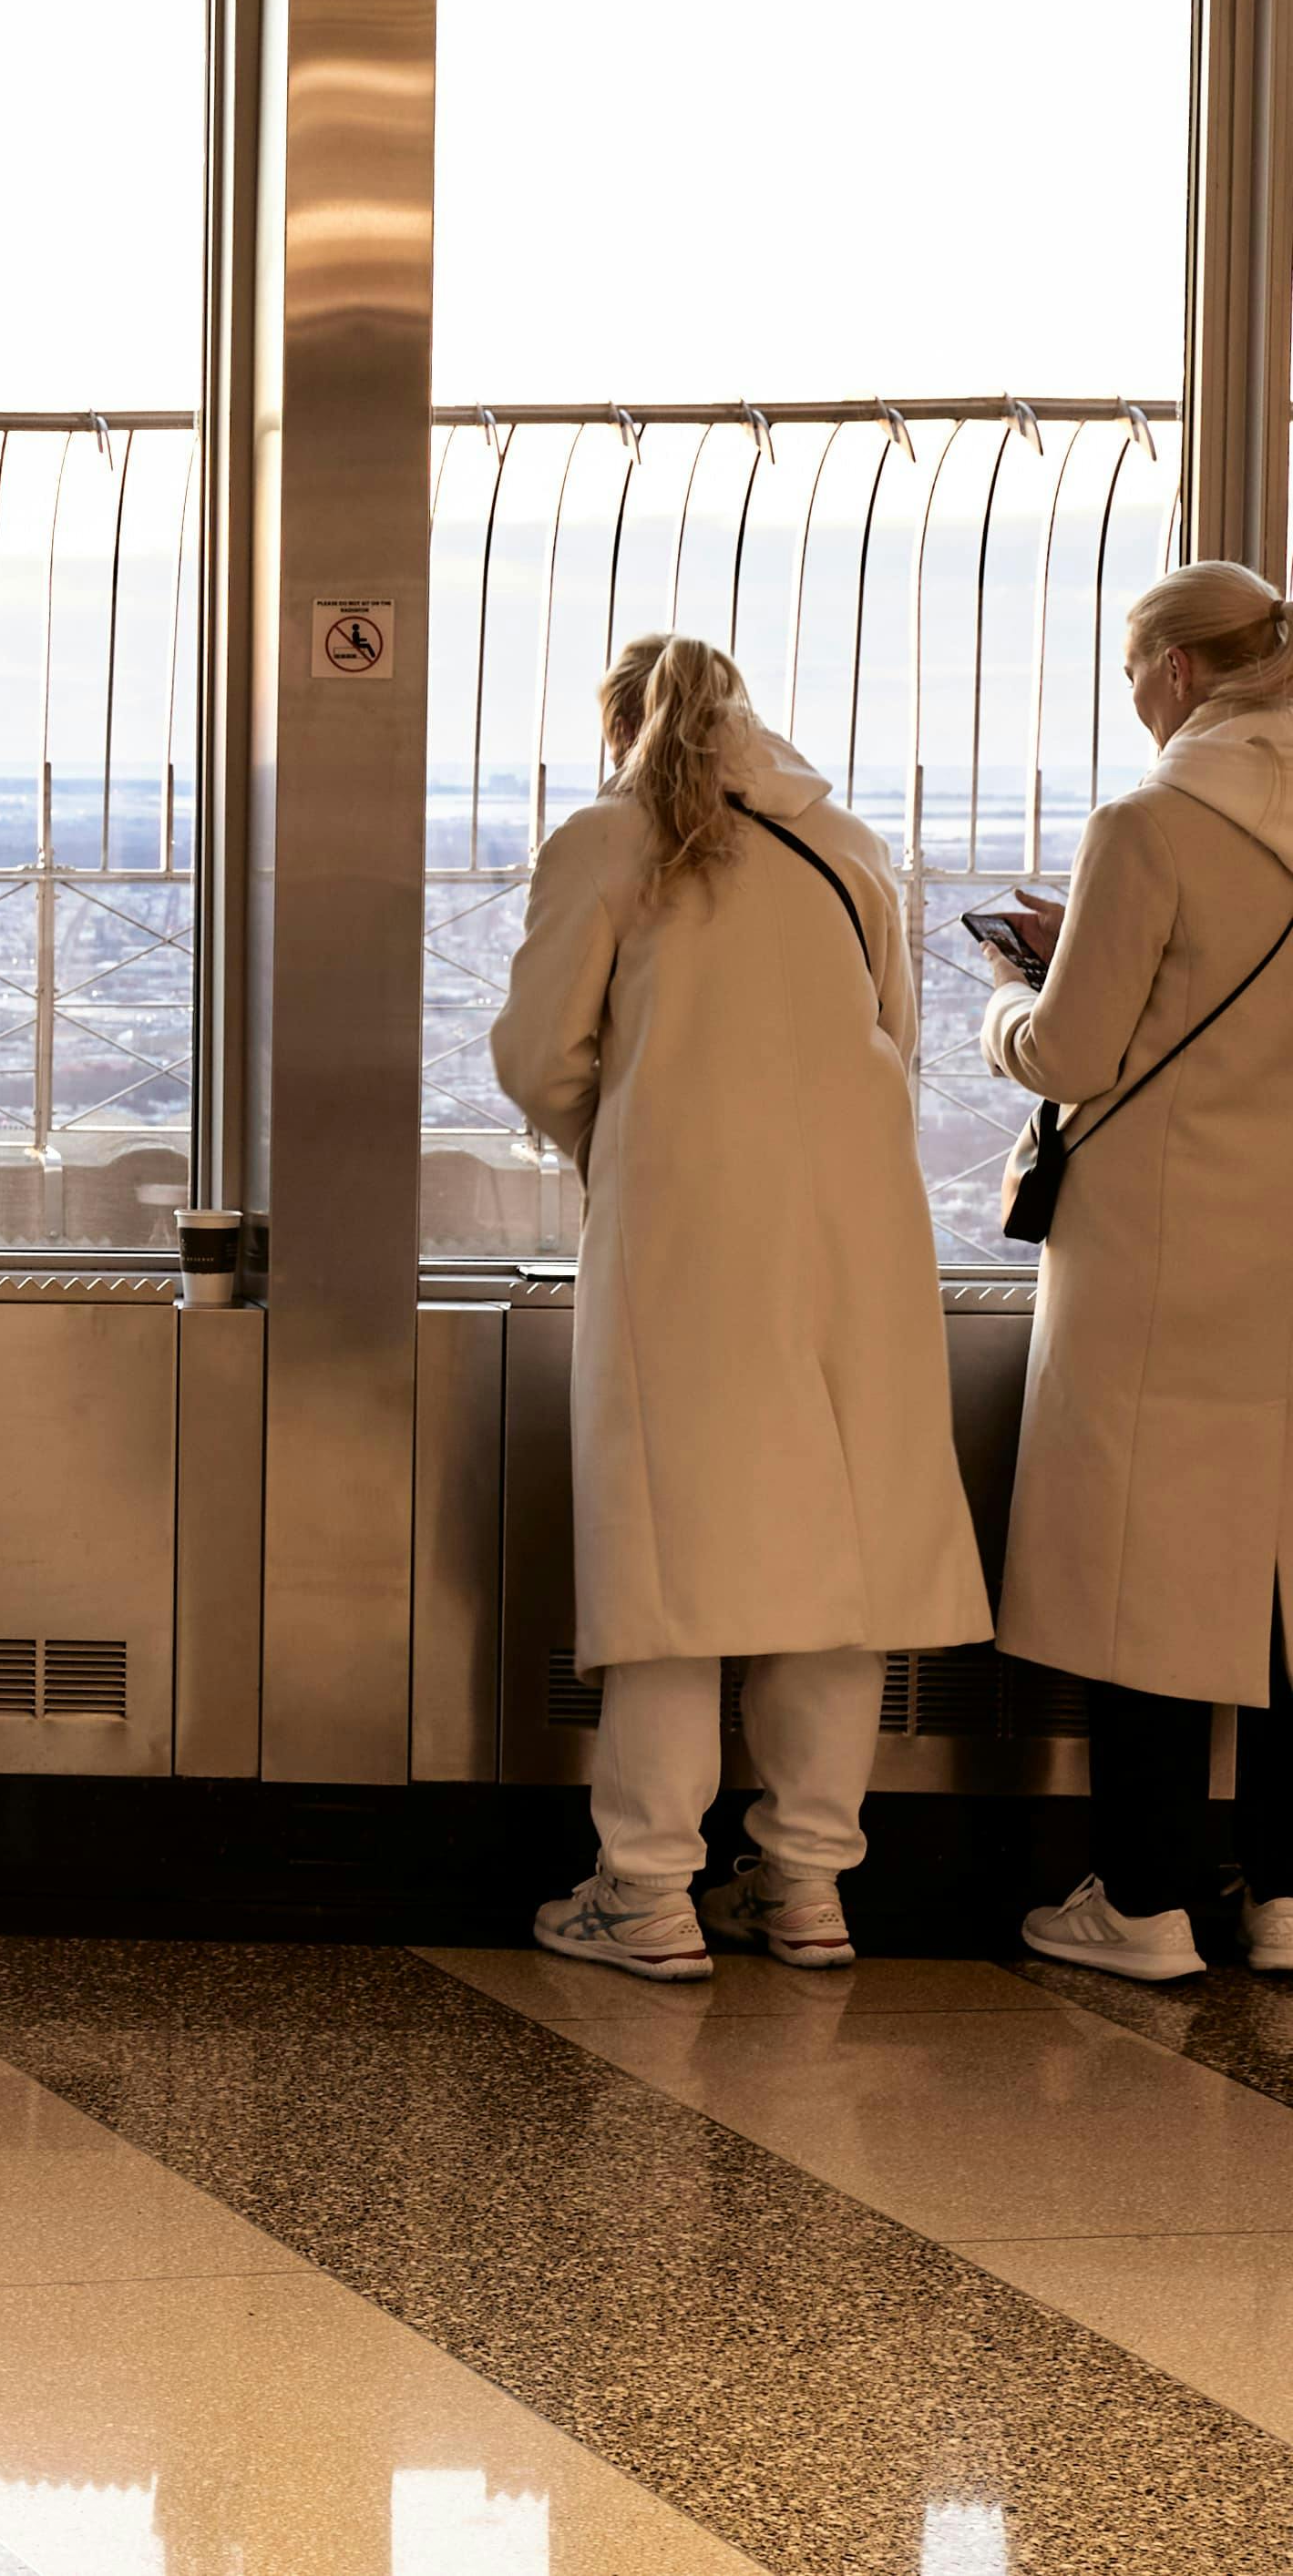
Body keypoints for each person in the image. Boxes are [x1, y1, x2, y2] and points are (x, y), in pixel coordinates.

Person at [488, 636, 986, 1982]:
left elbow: (539, 1055)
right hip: (858, 1228)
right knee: (842, 1560)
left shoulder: (606, 842)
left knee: (673, 1551)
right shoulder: (851, 845)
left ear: (621, 731)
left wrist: (626, 1131)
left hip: (687, 1225)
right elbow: (891, 1026)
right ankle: (808, 1886)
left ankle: (645, 1891)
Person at [983, 562, 1293, 1983]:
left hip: (1162, 1254)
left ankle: (1146, 1901)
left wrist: (1008, 1001)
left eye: (1127, 669)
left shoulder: (1153, 819)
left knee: (1142, 1569)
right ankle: (1285, 1900)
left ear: (1173, 669)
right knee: (1283, 1578)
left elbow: (1076, 1053)